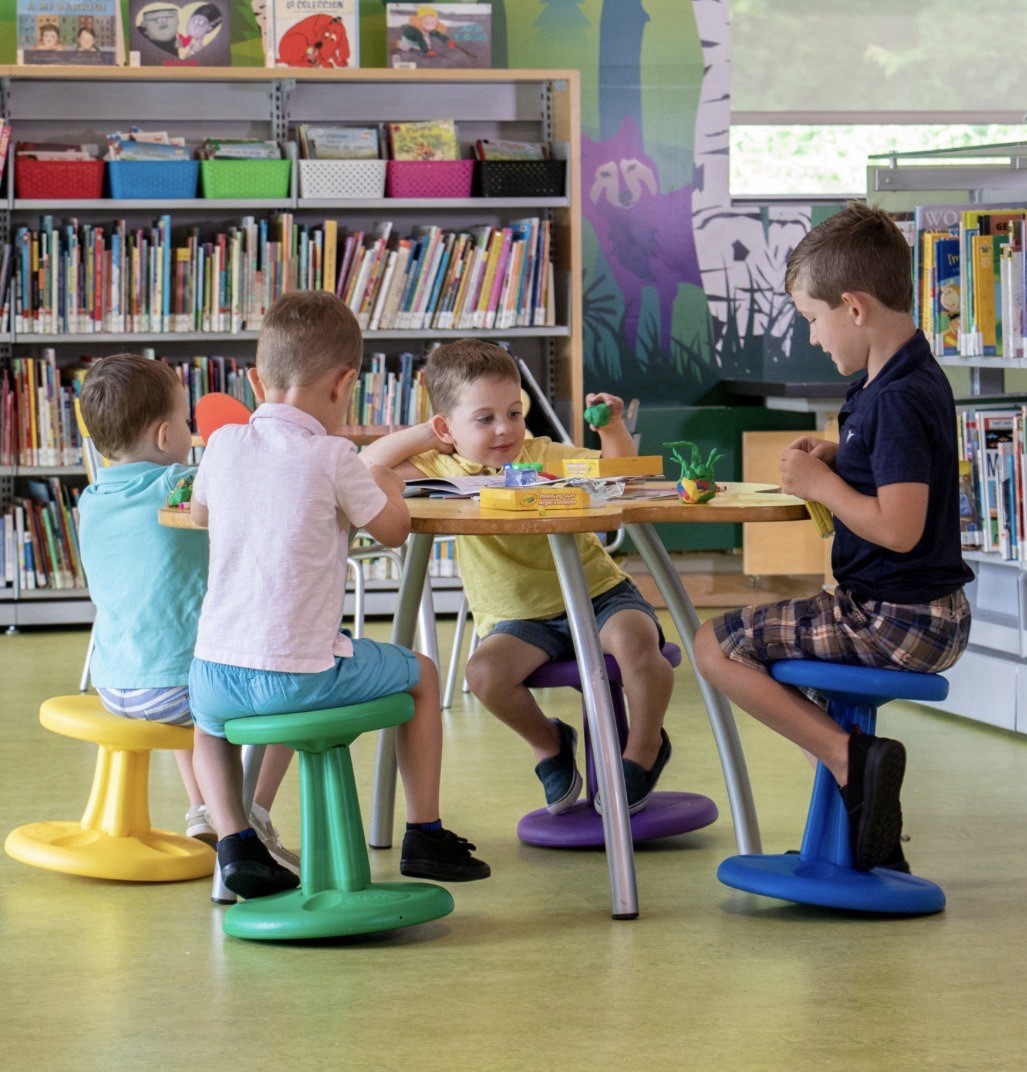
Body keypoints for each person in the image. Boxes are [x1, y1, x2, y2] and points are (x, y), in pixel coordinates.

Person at [694, 201, 974, 873]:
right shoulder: (895, 378)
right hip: (912, 611)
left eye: (812, 320)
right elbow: (893, 476)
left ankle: (853, 762)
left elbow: (899, 530)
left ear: (853, 307)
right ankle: (863, 828)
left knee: (711, 646)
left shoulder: (897, 397)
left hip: (896, 618)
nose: (814, 339)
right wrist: (836, 457)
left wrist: (821, 488)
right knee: (769, 654)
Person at [188, 292, 490, 899]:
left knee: (208, 728)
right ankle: (424, 832)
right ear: (345, 382)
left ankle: (234, 840)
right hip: (301, 675)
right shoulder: (334, 456)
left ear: (254, 378)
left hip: (213, 673)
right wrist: (379, 476)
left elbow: (200, 515)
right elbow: (395, 530)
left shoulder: (222, 446)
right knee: (423, 674)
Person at [361, 339, 675, 817]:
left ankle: (645, 746)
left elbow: (620, 474)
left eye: (513, 412)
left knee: (636, 644)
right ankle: (550, 742)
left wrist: (611, 428)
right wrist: (432, 433)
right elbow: (369, 466)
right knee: (484, 676)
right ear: (447, 428)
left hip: (599, 596)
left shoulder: (542, 453)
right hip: (519, 619)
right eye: (484, 419)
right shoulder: (440, 466)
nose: (505, 429)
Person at [77, 354, 296, 864]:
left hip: (114, 685)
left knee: (184, 670)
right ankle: (250, 813)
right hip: (180, 690)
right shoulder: (181, 484)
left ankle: (201, 808)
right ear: (162, 435)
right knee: (290, 692)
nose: (190, 432)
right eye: (183, 421)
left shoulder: (90, 497)